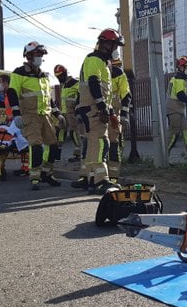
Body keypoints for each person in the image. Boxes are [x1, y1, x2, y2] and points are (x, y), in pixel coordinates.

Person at [71, 28, 124, 194]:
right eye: (115, 46)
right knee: (101, 142)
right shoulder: (95, 59)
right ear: (107, 44)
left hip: (93, 109)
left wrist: (109, 111)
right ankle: (101, 181)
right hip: (93, 109)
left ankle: (90, 178)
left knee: (93, 144)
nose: (116, 50)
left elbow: (101, 89)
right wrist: (102, 107)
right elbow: (94, 83)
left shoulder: (101, 62)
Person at [6, 41, 64, 190]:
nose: (40, 57)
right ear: (29, 56)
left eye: (41, 55)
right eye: (37, 55)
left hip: (46, 115)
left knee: (53, 145)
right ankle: (35, 176)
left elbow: (48, 97)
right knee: (36, 145)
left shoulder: (44, 75)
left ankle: (47, 173)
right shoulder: (19, 73)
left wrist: (57, 113)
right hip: (30, 115)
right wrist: (16, 114)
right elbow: (12, 92)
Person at [0, 74, 29, 176]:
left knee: (24, 144)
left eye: (0, 82)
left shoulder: (12, 92)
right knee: (22, 145)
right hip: (13, 122)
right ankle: (25, 167)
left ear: (6, 83)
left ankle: (27, 167)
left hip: (18, 122)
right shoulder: (6, 95)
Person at [108, 52, 132, 182]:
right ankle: (107, 175)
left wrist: (124, 113)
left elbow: (126, 95)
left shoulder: (118, 75)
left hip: (112, 114)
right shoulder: (99, 73)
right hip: (105, 113)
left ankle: (113, 174)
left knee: (114, 143)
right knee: (108, 144)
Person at [53, 64, 82, 163]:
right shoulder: (63, 85)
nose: (59, 78)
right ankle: (56, 155)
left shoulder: (76, 83)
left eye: (60, 76)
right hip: (64, 113)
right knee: (60, 132)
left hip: (72, 112)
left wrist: (78, 110)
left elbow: (80, 96)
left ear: (65, 73)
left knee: (74, 132)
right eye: (57, 76)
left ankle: (79, 155)